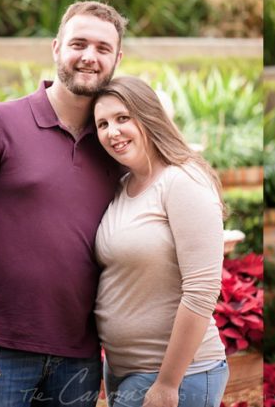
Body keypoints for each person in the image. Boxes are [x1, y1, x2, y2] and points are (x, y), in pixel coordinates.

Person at [0, 0, 126, 407]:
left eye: (102, 48)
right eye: (79, 44)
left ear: (117, 59)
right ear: (56, 48)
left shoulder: (116, 144)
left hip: (79, 355)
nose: (89, 57)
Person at [92, 76, 229, 407]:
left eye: (123, 118)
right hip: (124, 370)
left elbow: (202, 289)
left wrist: (168, 383)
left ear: (149, 116)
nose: (113, 132)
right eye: (102, 123)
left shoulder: (182, 181)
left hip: (177, 375)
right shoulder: (123, 186)